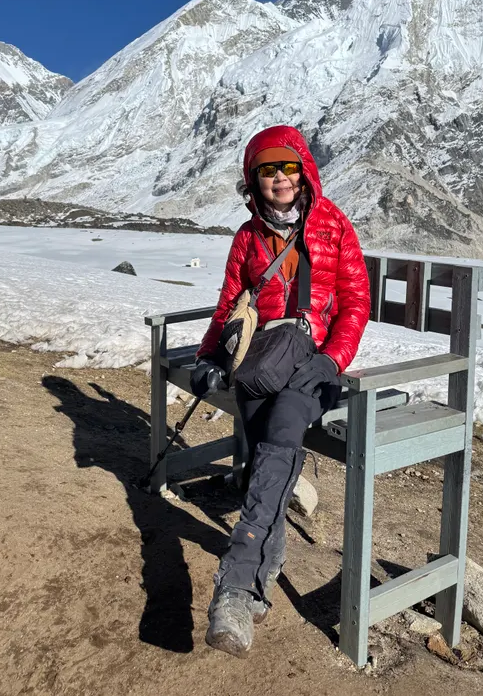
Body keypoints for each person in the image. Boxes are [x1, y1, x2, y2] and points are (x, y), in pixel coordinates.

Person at [191, 124, 370, 657]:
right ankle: (259, 587)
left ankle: (235, 587)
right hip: (258, 363)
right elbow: (229, 303)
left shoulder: (335, 226)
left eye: (287, 167)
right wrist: (207, 356)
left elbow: (356, 301)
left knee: (279, 439)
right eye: (267, 170)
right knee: (273, 459)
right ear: (253, 180)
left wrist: (333, 361)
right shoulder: (247, 238)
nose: (279, 179)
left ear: (304, 171)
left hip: (310, 367)